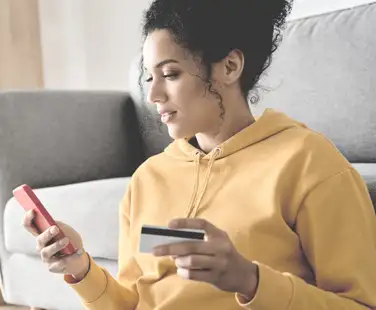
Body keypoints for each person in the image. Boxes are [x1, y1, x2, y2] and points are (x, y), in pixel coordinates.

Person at [23, 0, 376, 309]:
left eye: (170, 74)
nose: (153, 96)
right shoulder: (148, 178)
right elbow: (131, 303)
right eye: (149, 78)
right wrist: (80, 269)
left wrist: (252, 281)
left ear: (229, 66)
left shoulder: (310, 163)